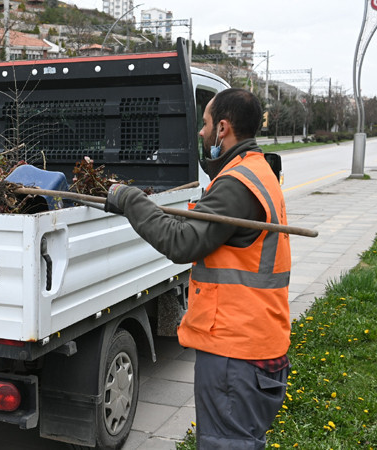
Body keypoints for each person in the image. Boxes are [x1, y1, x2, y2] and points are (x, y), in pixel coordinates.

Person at [105, 88, 291, 449]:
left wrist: (130, 199)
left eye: (205, 125)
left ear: (223, 128)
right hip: (258, 342)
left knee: (227, 444)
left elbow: (182, 242)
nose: (201, 133)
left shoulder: (237, 184)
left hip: (235, 353)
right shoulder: (258, 170)